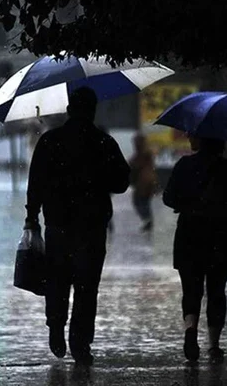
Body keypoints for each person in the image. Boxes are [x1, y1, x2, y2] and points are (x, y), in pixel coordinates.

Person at [25, 86, 130, 366]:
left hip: (58, 225)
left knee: (57, 280)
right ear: (93, 111)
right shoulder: (104, 143)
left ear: (69, 110)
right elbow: (121, 182)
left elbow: (35, 183)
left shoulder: (49, 142)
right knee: (86, 286)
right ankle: (80, 342)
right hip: (92, 228)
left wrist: (31, 216)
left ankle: (56, 328)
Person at [163, 136, 227, 364]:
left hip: (189, 233)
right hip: (220, 234)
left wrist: (188, 204)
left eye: (194, 134)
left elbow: (168, 197)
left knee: (191, 289)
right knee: (217, 291)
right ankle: (214, 345)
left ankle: (190, 328)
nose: (190, 136)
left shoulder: (184, 165)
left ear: (201, 139)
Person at [130, 133, 158, 232]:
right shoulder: (146, 153)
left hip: (143, 183)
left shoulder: (142, 154)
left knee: (139, 202)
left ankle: (147, 220)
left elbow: (135, 165)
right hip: (148, 182)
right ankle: (148, 221)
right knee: (144, 202)